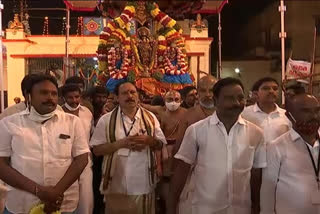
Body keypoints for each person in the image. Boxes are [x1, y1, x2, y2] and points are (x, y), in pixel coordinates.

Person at [168, 77, 266, 214]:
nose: (237, 103)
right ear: (215, 101)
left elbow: (256, 176)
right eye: (229, 98)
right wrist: (171, 207)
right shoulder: (197, 131)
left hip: (241, 209)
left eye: (240, 98)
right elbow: (181, 172)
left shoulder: (256, 133)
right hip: (204, 209)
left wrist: (256, 207)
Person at [0, 74, 89, 214]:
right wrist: (39, 191)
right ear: (28, 96)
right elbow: (1, 164)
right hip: (21, 204)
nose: (50, 98)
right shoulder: (9, 123)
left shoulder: (72, 122)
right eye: (43, 93)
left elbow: (82, 158)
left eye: (54, 93)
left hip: (64, 203)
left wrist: (56, 192)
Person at [90, 81, 167, 214]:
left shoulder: (150, 118)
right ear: (117, 97)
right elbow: (96, 150)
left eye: (133, 92)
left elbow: (160, 144)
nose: (130, 96)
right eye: (125, 93)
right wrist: (121, 143)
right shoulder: (106, 120)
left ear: (138, 96)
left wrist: (150, 140)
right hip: (115, 184)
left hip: (143, 184)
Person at [260, 93, 320, 214]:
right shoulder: (276, 147)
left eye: (317, 110)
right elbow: (268, 190)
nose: (314, 116)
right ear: (289, 115)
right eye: (306, 111)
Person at [61, 84, 94, 214]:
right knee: (66, 200)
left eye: (77, 97)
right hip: (65, 163)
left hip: (85, 162)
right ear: (63, 98)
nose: (74, 101)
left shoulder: (87, 112)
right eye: (70, 97)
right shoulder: (58, 113)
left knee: (86, 201)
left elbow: (91, 134)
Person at [242, 77, 286, 143]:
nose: (271, 91)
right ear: (256, 93)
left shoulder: (285, 115)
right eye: (266, 88)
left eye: (275, 89)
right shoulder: (245, 114)